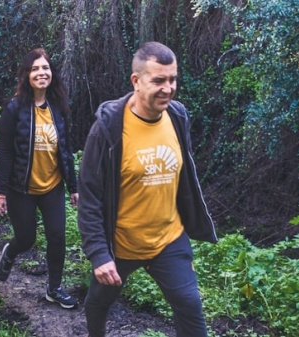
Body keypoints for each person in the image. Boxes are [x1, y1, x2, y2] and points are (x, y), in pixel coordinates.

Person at [77, 41, 218, 337]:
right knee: (98, 304)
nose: (168, 88)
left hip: (169, 238)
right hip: (122, 243)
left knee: (189, 306)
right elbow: (89, 197)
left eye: (172, 79)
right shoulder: (107, 130)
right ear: (136, 81)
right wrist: (99, 254)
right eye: (158, 80)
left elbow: (185, 178)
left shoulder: (177, 117)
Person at [0, 48, 79, 309]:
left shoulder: (59, 107)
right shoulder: (14, 109)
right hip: (22, 188)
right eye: (35, 69)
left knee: (57, 236)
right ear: (26, 75)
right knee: (26, 238)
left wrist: (73, 187)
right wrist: (0, 192)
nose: (41, 73)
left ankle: (54, 288)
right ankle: (10, 252)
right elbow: (5, 152)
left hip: (52, 186)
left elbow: (65, 149)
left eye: (45, 68)